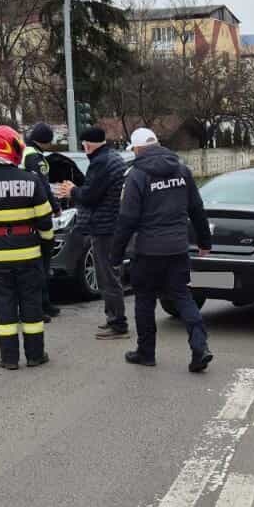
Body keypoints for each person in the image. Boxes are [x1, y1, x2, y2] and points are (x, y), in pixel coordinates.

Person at [112, 127, 214, 372]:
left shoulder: (136, 175)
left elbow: (127, 219)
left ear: (137, 149)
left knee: (145, 301)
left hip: (147, 252)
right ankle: (200, 347)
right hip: (178, 249)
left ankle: (146, 353)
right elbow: (197, 210)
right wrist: (204, 242)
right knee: (183, 296)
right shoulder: (182, 170)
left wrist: (115, 254)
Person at [0, 125, 53, 370]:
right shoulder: (31, 180)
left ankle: (9, 359)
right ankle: (36, 355)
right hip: (29, 254)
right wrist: (46, 248)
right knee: (32, 305)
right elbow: (45, 220)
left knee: (4, 306)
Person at [67, 126, 129, 340]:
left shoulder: (100, 162)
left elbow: (90, 195)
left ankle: (118, 324)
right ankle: (113, 317)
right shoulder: (114, 157)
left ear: (87, 144)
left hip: (103, 226)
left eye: (83, 144)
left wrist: (72, 191)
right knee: (110, 273)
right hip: (113, 223)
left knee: (107, 276)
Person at [23, 123, 63, 321]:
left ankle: (44, 303)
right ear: (45, 140)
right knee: (41, 263)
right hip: (38, 215)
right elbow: (42, 186)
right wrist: (55, 207)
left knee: (37, 265)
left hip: (25, 216)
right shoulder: (33, 156)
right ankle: (41, 306)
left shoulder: (23, 151)